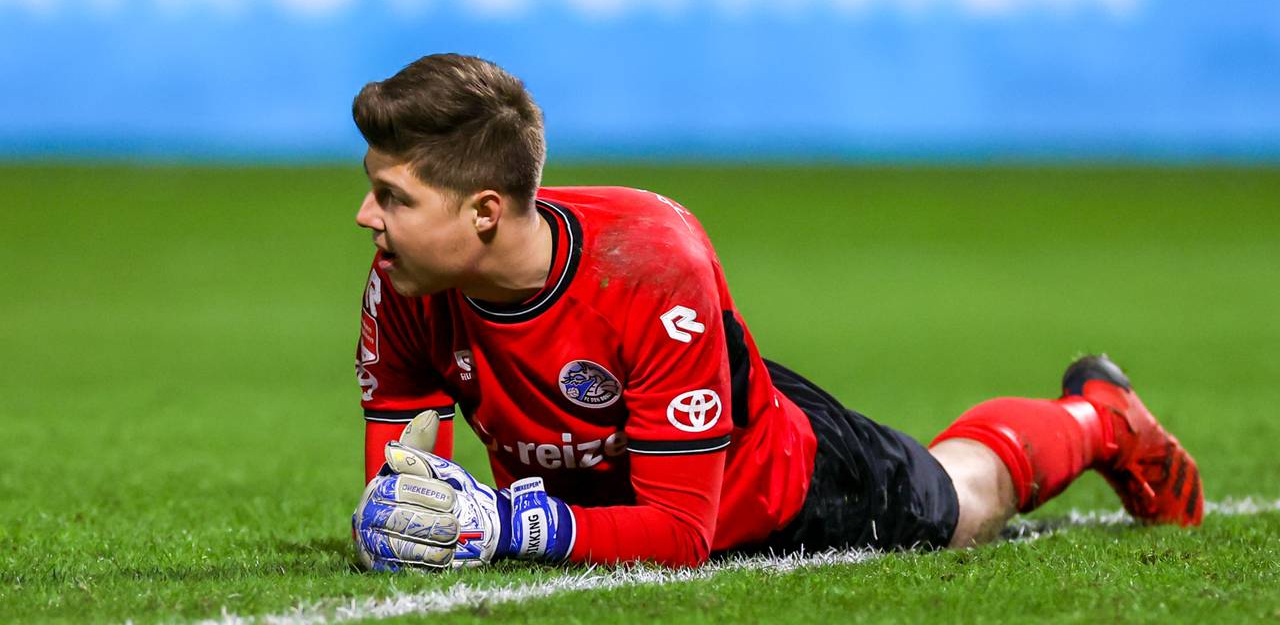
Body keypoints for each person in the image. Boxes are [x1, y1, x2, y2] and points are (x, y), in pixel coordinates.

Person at [349, 54, 1203, 571]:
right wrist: (399, 515)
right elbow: (396, 492)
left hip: (773, 485)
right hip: (622, 470)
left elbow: (684, 533)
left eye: (393, 196)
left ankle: (1097, 419)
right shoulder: (404, 284)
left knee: (963, 498)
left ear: (486, 212)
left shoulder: (648, 265)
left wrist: (502, 522)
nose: (367, 218)